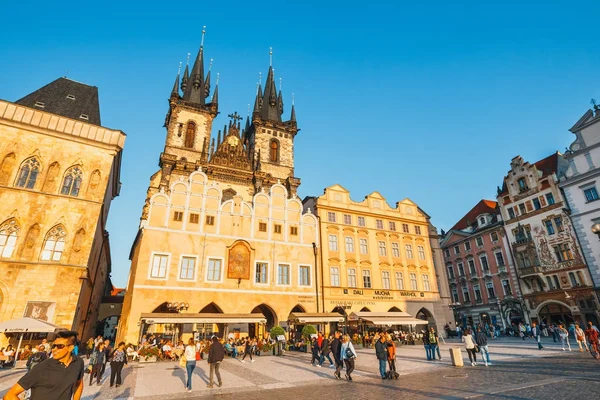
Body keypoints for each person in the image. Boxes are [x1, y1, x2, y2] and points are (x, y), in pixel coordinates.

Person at [3, 330, 84, 400]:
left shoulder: (78, 363)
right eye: (54, 346)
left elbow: (78, 384)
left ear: (70, 348)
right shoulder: (42, 368)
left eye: (60, 346)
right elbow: (9, 395)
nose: (54, 349)